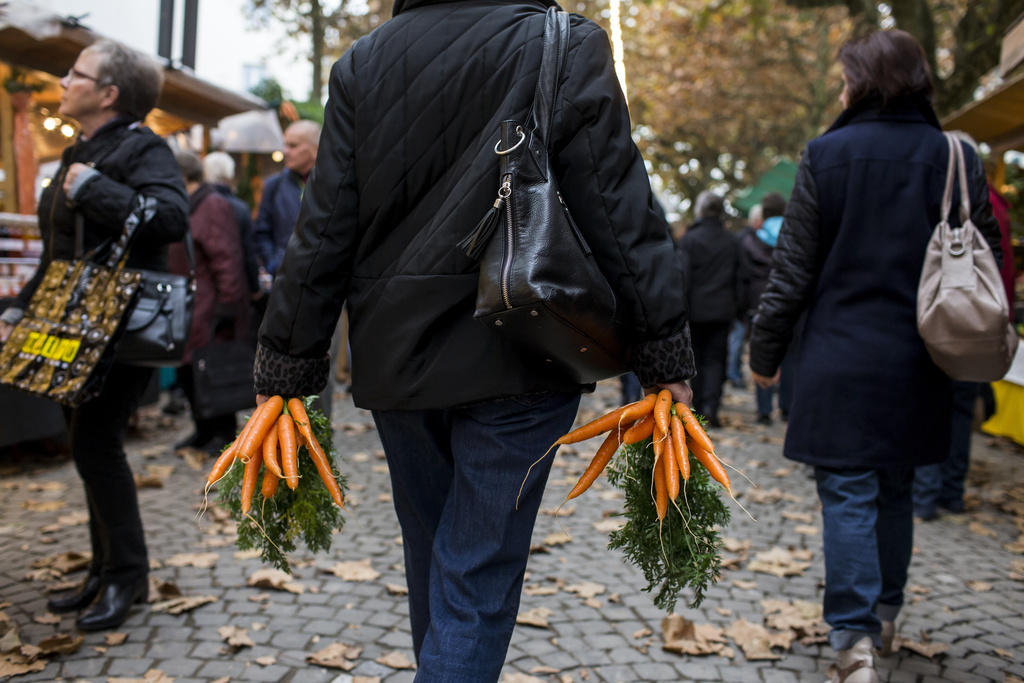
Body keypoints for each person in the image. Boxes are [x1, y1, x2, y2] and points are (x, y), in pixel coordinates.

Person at [252, 2, 695, 680]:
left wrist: (288, 362)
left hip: (399, 358)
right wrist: (661, 348)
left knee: (435, 560)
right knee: (476, 577)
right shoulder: (564, 43)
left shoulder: (364, 62)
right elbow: (617, 204)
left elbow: (323, 229)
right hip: (524, 346)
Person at [748, 30, 1002, 683]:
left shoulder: (826, 155)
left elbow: (792, 273)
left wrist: (764, 350)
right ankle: (885, 614)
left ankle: (853, 639)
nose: (841, 89)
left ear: (863, 83)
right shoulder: (954, 156)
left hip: (839, 359)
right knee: (895, 488)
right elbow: (990, 259)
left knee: (849, 494)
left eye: (846, 77)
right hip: (923, 359)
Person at [0, 40, 188, 629]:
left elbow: (170, 218)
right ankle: (106, 572)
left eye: (76, 73)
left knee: (95, 444)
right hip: (71, 320)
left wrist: (91, 190)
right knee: (86, 443)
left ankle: (127, 577)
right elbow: (62, 253)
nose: (63, 78)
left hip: (120, 326)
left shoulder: (143, 147)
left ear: (108, 93)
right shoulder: (80, 149)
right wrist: (19, 308)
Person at [172, 151, 250, 454]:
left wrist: (228, 304)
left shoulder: (212, 205)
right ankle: (202, 430)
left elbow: (226, 257)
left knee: (214, 367)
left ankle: (222, 432)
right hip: (192, 301)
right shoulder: (189, 206)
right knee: (191, 369)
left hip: (210, 304)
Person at [677, 190, 740, 428]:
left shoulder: (689, 240)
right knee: (716, 360)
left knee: (697, 359)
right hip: (722, 311)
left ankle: (699, 408)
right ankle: (711, 407)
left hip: (695, 311)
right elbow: (739, 277)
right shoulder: (731, 241)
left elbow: (683, 277)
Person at [738, 192, 787, 425]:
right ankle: (787, 406)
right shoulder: (793, 236)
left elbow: (744, 276)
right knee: (790, 357)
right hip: (789, 304)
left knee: (761, 353)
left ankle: (765, 410)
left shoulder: (750, 240)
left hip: (759, 304)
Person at [252, 119, 320, 277]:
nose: (285, 151)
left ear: (315, 149)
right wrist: (274, 264)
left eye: (293, 145)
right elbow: (261, 231)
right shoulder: (273, 185)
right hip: (286, 279)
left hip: (323, 279)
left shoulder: (332, 183)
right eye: (285, 144)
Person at [728, 204, 762, 389]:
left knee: (738, 341)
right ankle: (733, 373)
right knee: (737, 341)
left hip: (744, 299)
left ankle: (734, 372)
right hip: (743, 301)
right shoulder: (747, 240)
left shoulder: (741, 238)